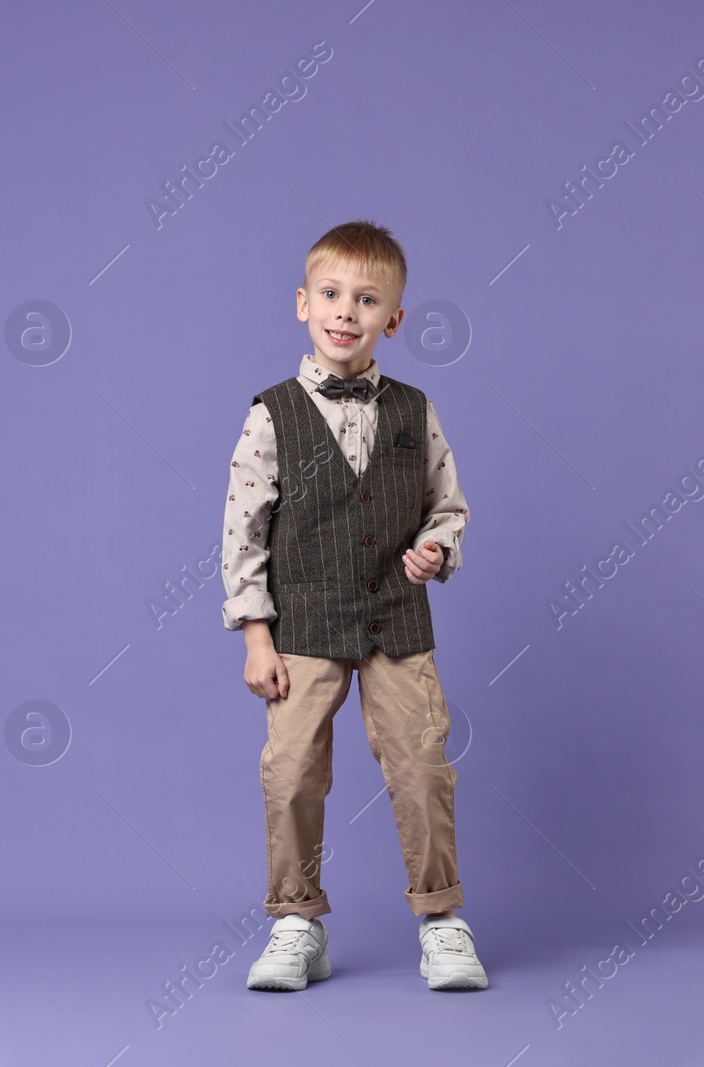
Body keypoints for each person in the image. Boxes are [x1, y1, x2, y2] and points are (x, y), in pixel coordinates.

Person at [220, 219, 485, 992]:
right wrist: (255, 637)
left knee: (422, 764)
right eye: (331, 294)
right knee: (292, 768)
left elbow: (449, 505)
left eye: (367, 300)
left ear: (393, 319)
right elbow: (243, 532)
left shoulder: (416, 409)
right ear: (303, 303)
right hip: (303, 623)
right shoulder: (271, 412)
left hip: (397, 622)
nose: (346, 311)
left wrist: (436, 548)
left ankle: (442, 919)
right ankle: (296, 919)